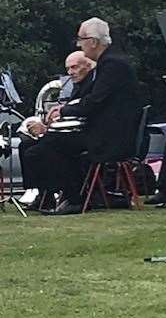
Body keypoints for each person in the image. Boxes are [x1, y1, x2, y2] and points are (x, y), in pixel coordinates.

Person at [27, 17, 142, 215]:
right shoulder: (111, 62)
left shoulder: (112, 65)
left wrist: (63, 110)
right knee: (51, 142)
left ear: (93, 42)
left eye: (81, 39)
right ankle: (67, 195)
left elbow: (94, 102)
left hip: (111, 137)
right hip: (106, 132)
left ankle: (74, 198)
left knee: (50, 145)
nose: (79, 44)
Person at [18, 51, 96, 211]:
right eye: (68, 69)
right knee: (25, 145)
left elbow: (85, 111)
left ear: (87, 66)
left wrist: (55, 121)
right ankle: (43, 195)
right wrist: (47, 125)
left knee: (40, 151)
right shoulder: (78, 86)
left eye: (74, 67)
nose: (70, 72)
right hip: (71, 133)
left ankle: (71, 196)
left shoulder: (93, 85)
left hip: (87, 135)